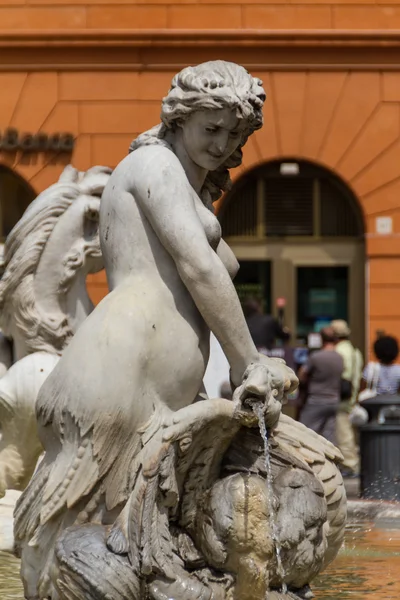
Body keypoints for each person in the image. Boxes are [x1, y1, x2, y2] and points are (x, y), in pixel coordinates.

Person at [15, 61, 297, 598]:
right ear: (178, 117)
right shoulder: (154, 163)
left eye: (234, 133)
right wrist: (248, 362)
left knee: (124, 534)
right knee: (71, 535)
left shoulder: (181, 179)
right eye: (211, 129)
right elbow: (199, 266)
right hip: (122, 366)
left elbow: (214, 263)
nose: (222, 143)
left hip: (144, 376)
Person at [298, 327, 343, 445]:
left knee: (305, 432)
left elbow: (302, 375)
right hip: (334, 400)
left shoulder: (316, 357)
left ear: (321, 339)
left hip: (316, 399)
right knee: (329, 437)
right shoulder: (339, 357)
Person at [331, 319, 363, 477]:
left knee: (343, 431)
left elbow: (343, 374)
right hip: (352, 395)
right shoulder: (355, 351)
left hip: (342, 397)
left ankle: (350, 465)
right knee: (347, 430)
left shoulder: (339, 351)